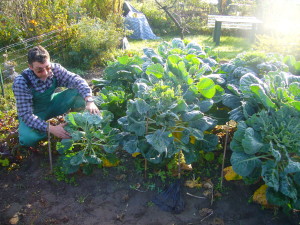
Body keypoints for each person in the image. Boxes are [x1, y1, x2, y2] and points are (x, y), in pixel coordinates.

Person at [13, 45, 100, 147]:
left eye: (47, 67)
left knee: (79, 93)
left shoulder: (55, 69)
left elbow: (77, 81)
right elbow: (26, 115)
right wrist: (51, 128)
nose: (45, 73)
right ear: (31, 67)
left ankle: (72, 125)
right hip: (33, 113)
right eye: (39, 70)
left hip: (52, 104)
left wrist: (89, 101)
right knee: (28, 139)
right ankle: (50, 131)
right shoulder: (21, 82)